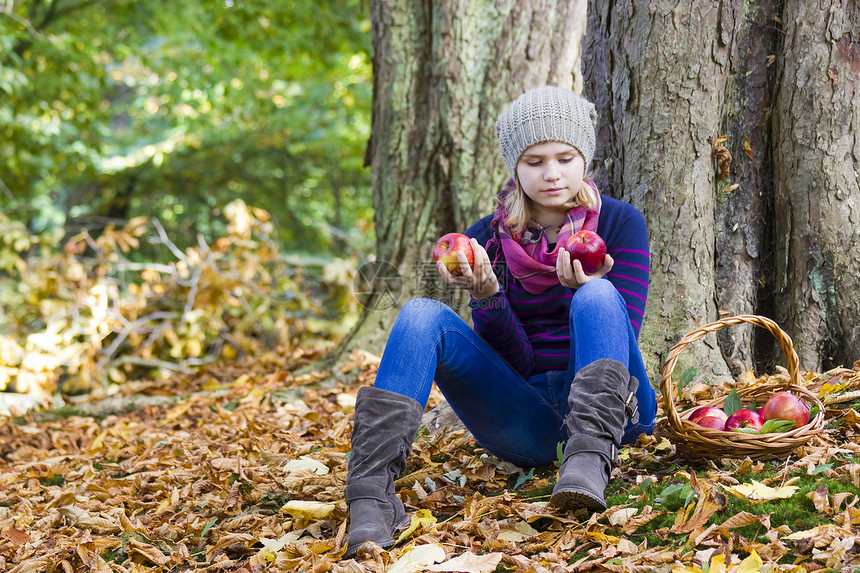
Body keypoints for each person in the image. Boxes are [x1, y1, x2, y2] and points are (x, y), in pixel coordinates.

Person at [342, 85, 657, 557]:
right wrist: (488, 297)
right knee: (420, 313)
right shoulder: (484, 240)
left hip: (613, 414)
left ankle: (590, 460)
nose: (552, 174)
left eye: (565, 158)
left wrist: (584, 292)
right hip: (523, 419)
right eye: (534, 161)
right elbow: (518, 362)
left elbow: (624, 333)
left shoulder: (619, 222)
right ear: (515, 165)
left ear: (584, 158)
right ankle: (369, 495)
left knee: (598, 294)